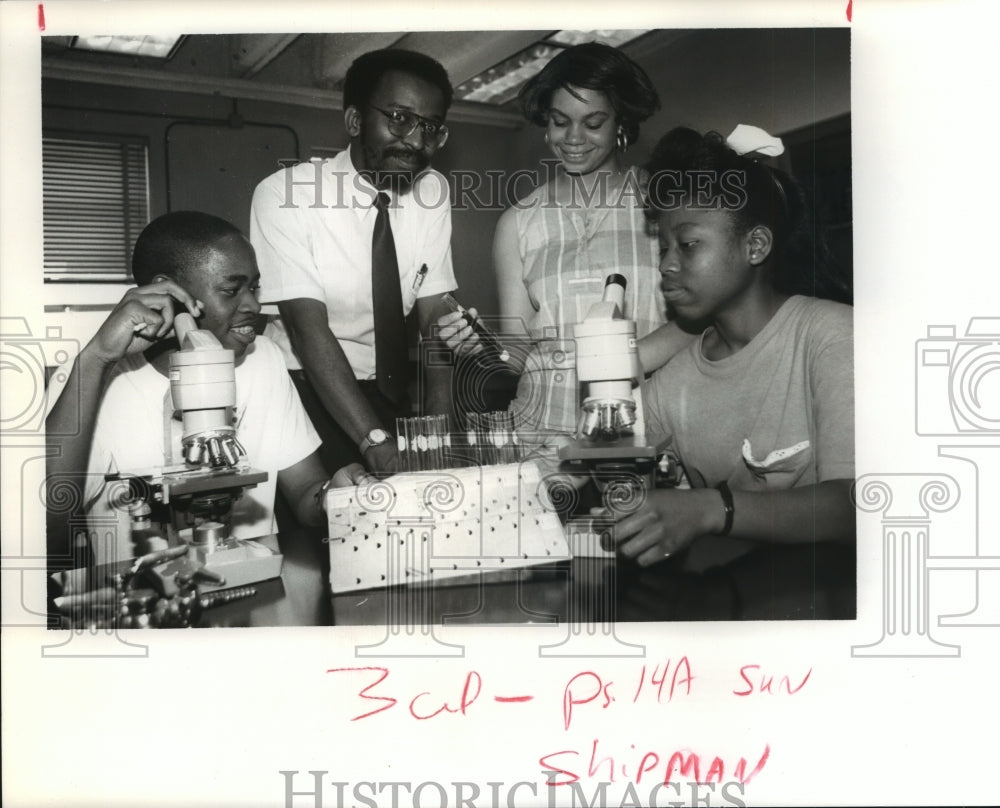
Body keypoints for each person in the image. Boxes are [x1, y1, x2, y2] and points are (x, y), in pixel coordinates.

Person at [45, 211, 364, 566]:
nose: (254, 306)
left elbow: (306, 494)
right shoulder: (88, 379)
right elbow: (47, 529)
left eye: (254, 287)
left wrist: (332, 497)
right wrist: (96, 360)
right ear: (170, 292)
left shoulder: (263, 359)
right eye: (231, 290)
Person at [612, 126, 855, 572]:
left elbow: (856, 505)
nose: (666, 263)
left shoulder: (832, 337)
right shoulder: (673, 385)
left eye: (687, 245)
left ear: (755, 246)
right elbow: (608, 469)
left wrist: (709, 509)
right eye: (664, 247)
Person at [437, 42, 692, 465]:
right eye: (560, 122)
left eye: (593, 123)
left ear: (621, 123)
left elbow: (702, 318)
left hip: (644, 431)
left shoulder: (665, 200)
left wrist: (620, 359)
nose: (573, 139)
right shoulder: (518, 222)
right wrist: (480, 344)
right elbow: (518, 352)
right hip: (539, 439)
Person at [250, 48, 458, 476]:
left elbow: (436, 320)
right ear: (354, 120)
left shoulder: (432, 190)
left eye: (431, 127)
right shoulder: (286, 194)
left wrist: (440, 435)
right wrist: (374, 441)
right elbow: (309, 334)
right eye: (399, 119)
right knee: (327, 529)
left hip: (390, 395)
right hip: (305, 392)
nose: (417, 142)